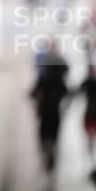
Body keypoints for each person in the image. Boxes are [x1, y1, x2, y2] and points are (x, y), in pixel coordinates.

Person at [29, 38, 69, 172]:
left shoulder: (46, 75)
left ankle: (48, 149)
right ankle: (48, 149)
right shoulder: (55, 74)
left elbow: (34, 91)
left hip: (48, 108)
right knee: (50, 131)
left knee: (45, 131)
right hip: (52, 108)